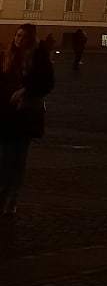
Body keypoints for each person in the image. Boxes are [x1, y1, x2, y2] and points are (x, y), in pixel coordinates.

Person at [0, 23, 55, 215]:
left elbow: (46, 83)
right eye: (17, 36)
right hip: (6, 115)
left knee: (18, 160)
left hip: (25, 117)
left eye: (23, 36)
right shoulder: (8, 57)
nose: (19, 40)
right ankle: (3, 196)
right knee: (5, 159)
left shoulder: (39, 59)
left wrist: (25, 91)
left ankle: (11, 199)